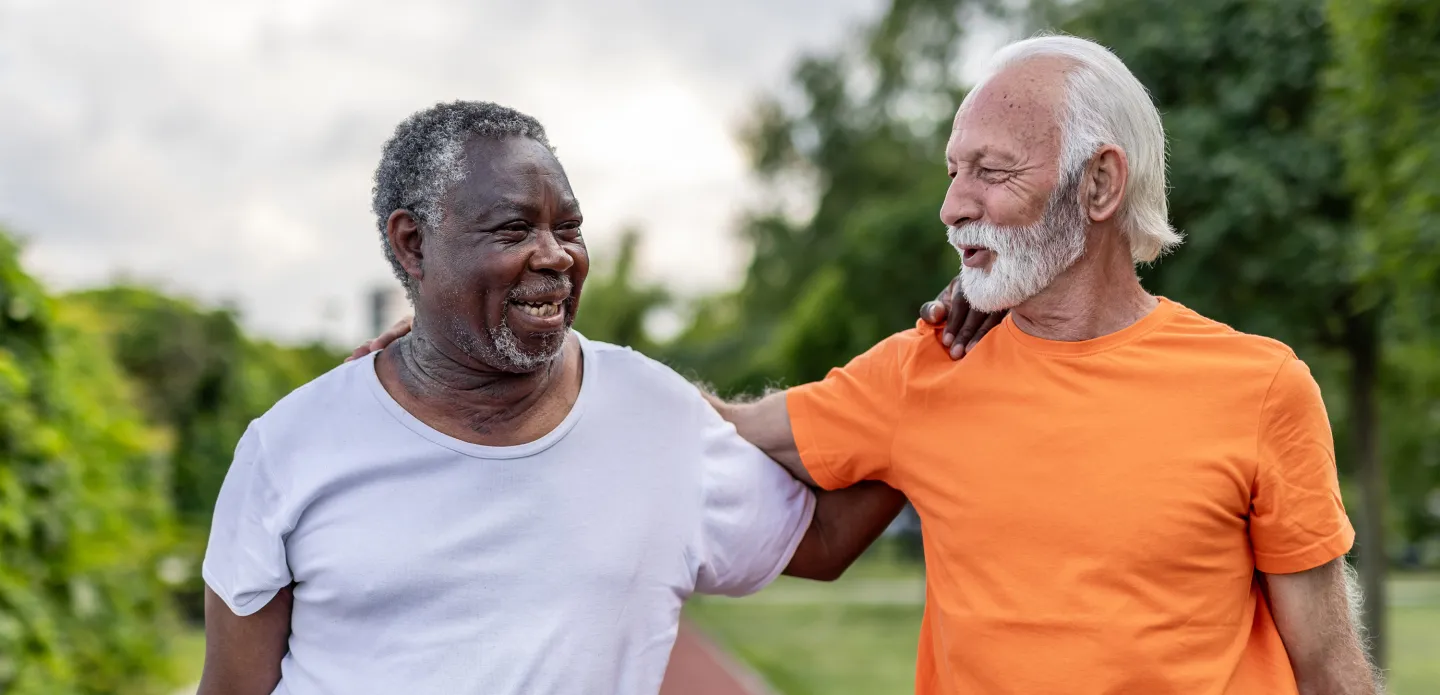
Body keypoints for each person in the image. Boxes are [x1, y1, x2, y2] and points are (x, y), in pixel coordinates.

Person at [363, 36, 1380, 695]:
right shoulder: (926, 368)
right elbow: (709, 424)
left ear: (1099, 185)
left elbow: (1329, 663)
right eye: (952, 173)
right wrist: (510, 357)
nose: (953, 204)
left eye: (991, 171)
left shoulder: (1259, 386)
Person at [197, 101, 924, 695]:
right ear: (413, 246)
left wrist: (941, 377)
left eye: (568, 227)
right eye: (515, 227)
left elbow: (823, 541)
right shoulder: (289, 444)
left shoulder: (654, 414)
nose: (555, 254)